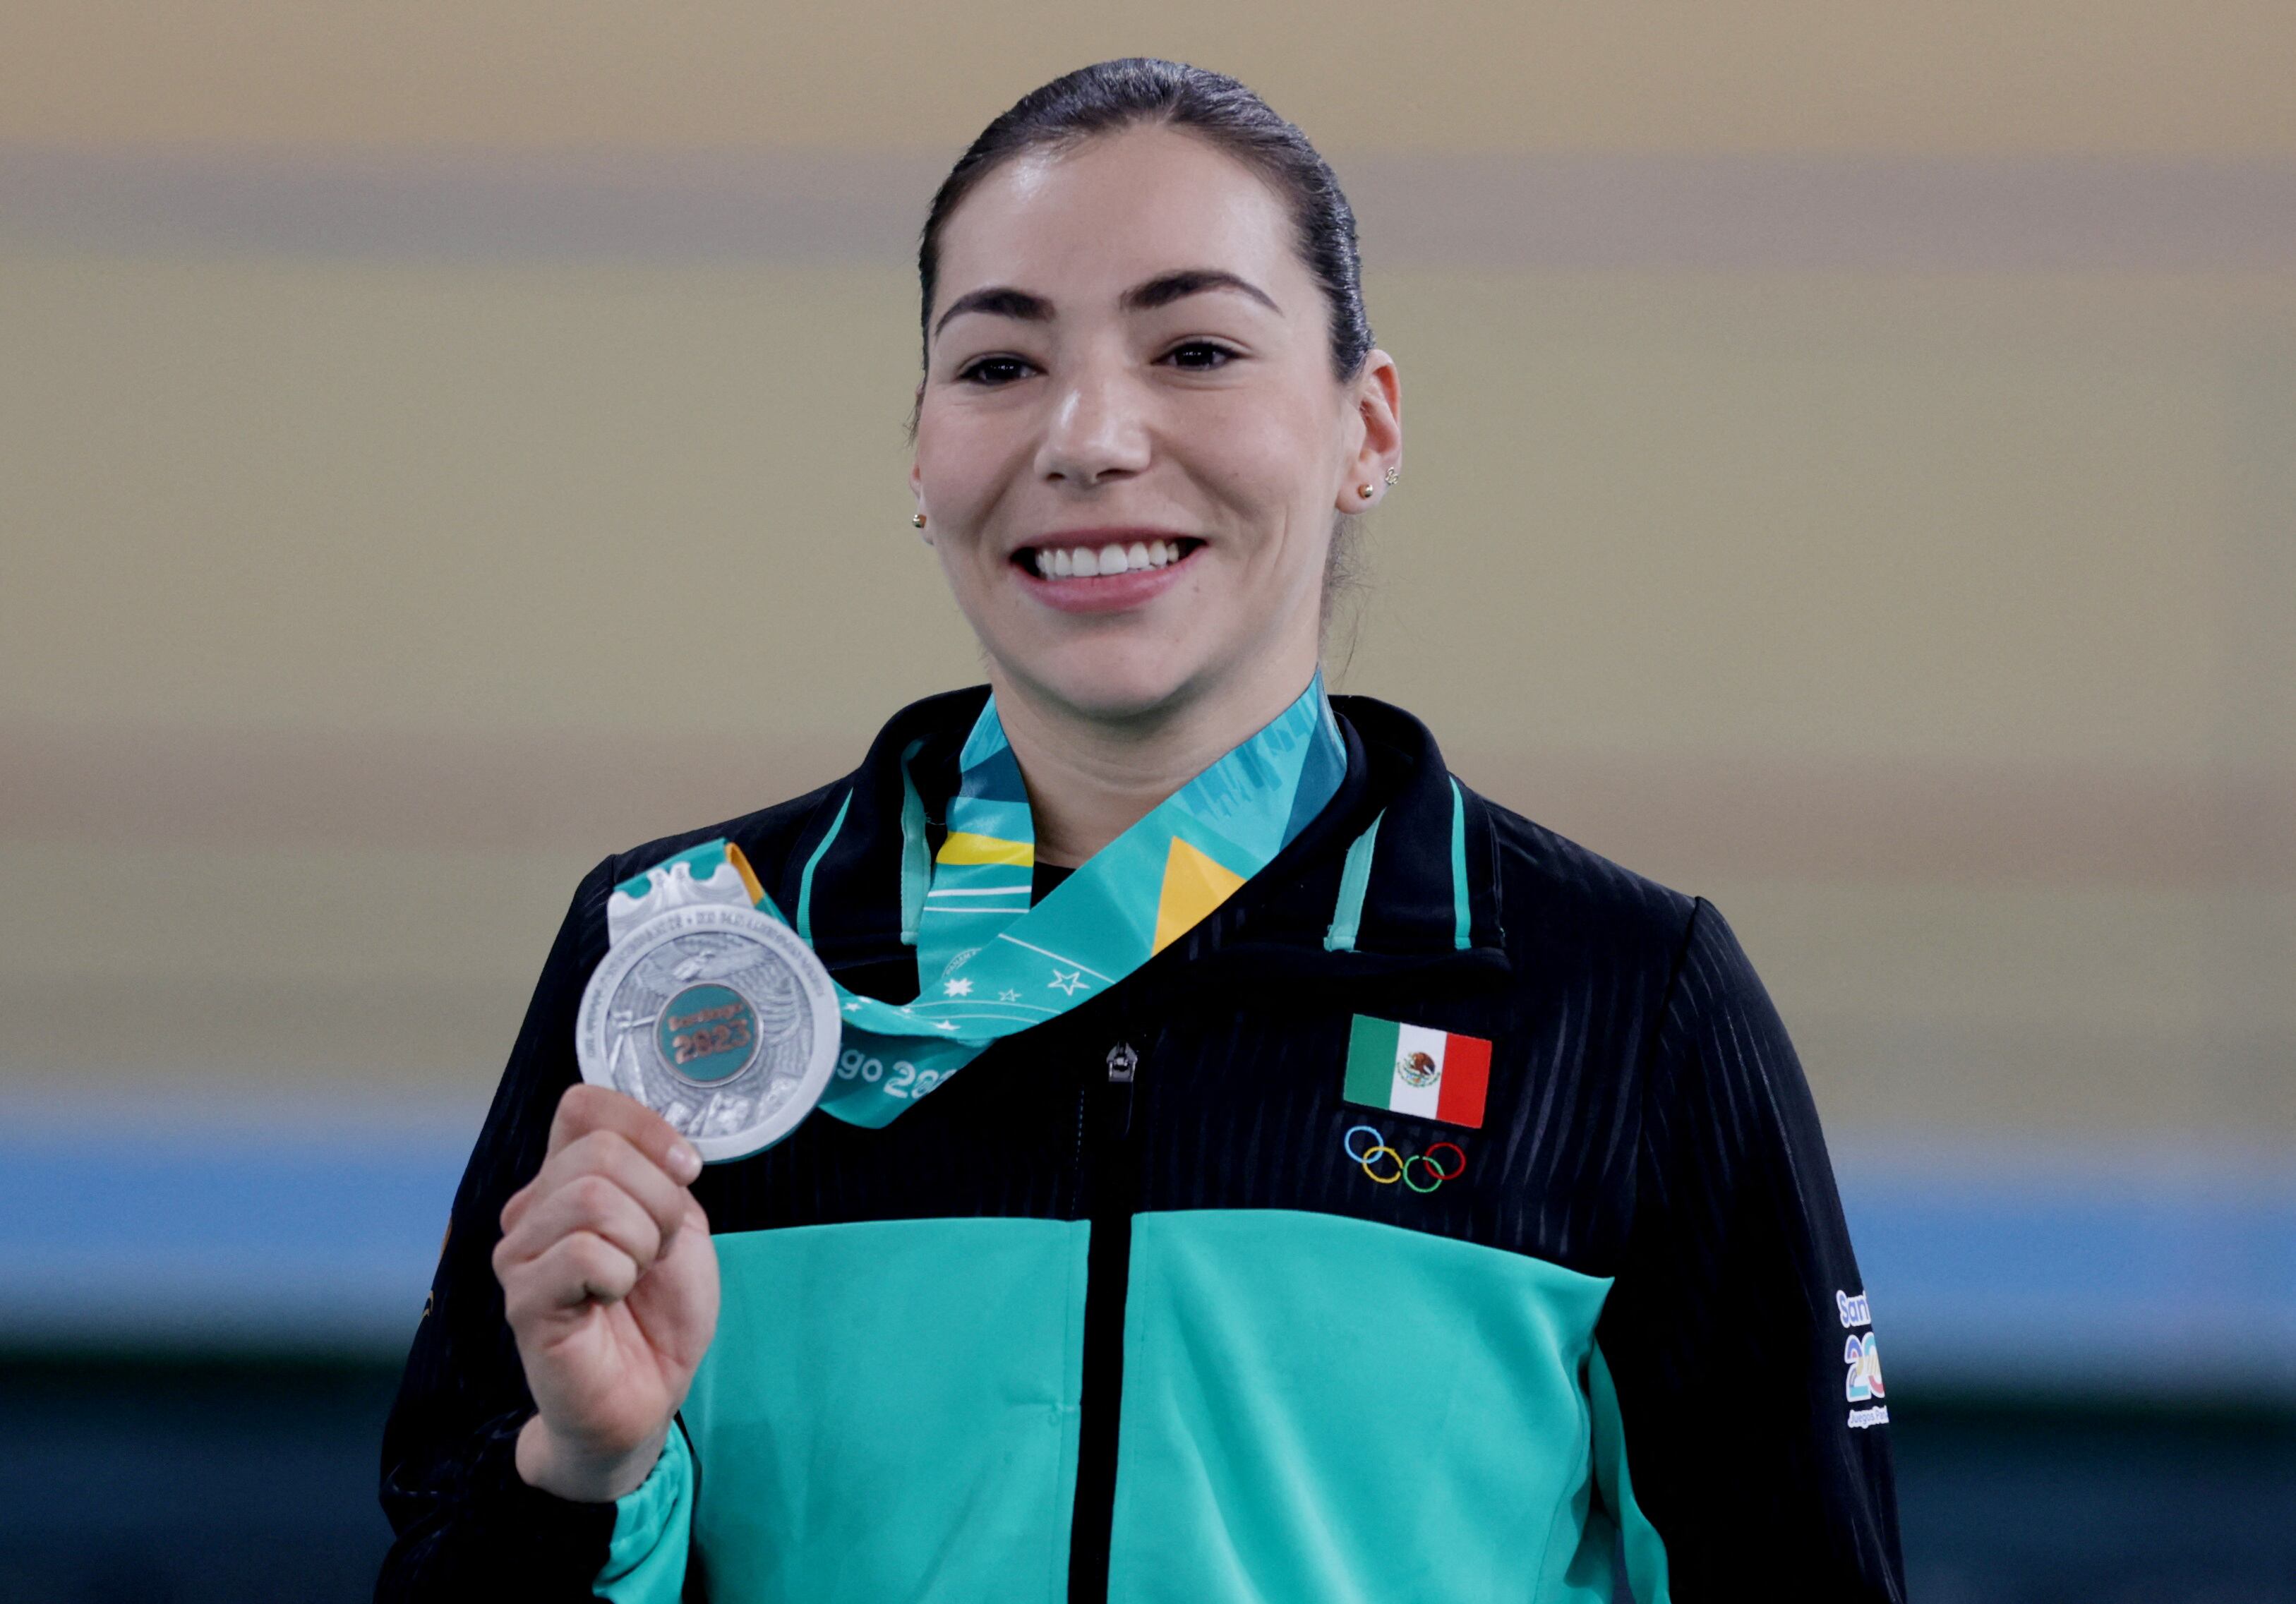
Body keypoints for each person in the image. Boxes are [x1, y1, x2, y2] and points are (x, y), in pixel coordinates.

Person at [378, 59, 1904, 1603]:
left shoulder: (1612, 998)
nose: (1091, 437)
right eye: (997, 367)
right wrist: (583, 1474)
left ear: (1364, 427)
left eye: (1193, 349)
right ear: (918, 447)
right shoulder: (690, 961)